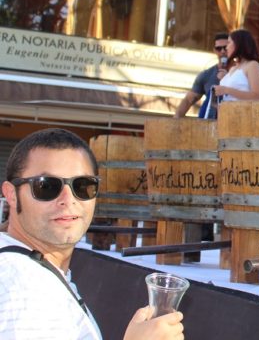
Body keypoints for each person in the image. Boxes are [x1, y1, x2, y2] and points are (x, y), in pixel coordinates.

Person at [0, 128, 184, 339]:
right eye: (47, 186)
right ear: (11, 195)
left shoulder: (33, 270)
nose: (68, 199)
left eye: (82, 185)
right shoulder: (25, 290)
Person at [174, 33, 229, 119]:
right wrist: (176, 120)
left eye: (225, 47)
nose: (222, 51)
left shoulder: (241, 71)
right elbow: (189, 100)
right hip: (211, 122)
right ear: (214, 50)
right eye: (219, 48)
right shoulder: (206, 75)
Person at [213, 29, 259, 102]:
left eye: (229, 43)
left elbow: (257, 96)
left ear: (238, 44)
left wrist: (226, 90)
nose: (226, 48)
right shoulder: (233, 68)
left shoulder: (252, 65)